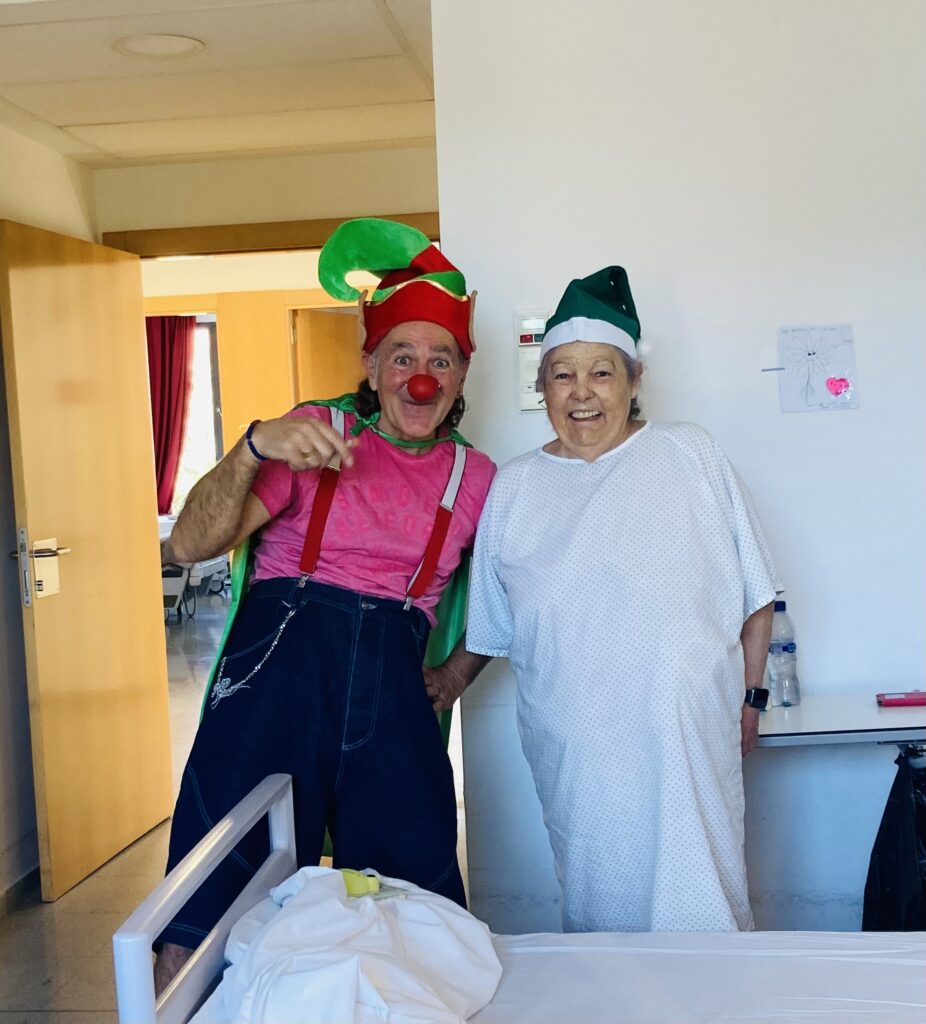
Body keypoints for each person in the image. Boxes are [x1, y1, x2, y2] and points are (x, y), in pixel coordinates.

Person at [154, 218, 495, 989]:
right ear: (370, 364)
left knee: (413, 906)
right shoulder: (312, 431)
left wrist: (456, 674)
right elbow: (190, 546)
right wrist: (253, 447)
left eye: (440, 359)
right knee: (210, 900)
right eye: (402, 356)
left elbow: (520, 593)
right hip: (274, 680)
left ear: (461, 376)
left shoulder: (476, 478)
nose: (421, 377)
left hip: (391, 697)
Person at [426, 266, 779, 934]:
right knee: (600, 907)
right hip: (578, 748)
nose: (581, 392)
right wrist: (446, 679)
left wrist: (751, 700)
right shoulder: (515, 488)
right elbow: (494, 626)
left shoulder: (690, 453)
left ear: (635, 380)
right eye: (562, 374)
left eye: (602, 372)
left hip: (688, 735)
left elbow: (755, 594)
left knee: (705, 896)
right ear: (541, 386)